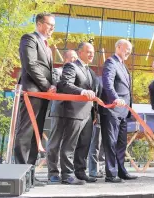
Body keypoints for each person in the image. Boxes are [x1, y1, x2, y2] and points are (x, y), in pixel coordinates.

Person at [14, 13, 56, 184]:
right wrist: (47, 85)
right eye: (50, 24)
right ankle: (20, 173)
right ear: (39, 24)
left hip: (43, 95)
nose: (52, 28)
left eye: (54, 26)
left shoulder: (47, 46)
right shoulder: (29, 39)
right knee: (26, 132)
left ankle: (30, 174)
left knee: (36, 134)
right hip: (32, 92)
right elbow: (30, 64)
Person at [57, 42, 98, 184]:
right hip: (74, 112)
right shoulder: (71, 66)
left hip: (88, 114)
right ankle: (67, 175)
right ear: (80, 52)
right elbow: (65, 84)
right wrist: (82, 91)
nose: (92, 54)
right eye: (88, 52)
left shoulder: (91, 72)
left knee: (84, 144)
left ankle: (80, 172)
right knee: (70, 144)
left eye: (93, 52)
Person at [100, 39, 137, 183]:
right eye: (127, 48)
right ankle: (111, 173)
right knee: (111, 142)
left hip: (123, 112)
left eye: (130, 50)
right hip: (112, 109)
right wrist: (115, 98)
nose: (128, 52)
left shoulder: (123, 66)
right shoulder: (111, 62)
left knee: (121, 143)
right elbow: (107, 82)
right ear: (118, 47)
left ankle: (121, 171)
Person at [47, 50, 77, 183]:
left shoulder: (78, 73)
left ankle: (67, 173)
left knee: (69, 144)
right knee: (54, 142)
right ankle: (53, 172)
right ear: (65, 59)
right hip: (59, 110)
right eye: (73, 58)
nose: (75, 61)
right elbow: (59, 85)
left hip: (73, 112)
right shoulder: (57, 72)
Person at [88, 76, 105, 178]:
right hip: (98, 116)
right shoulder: (98, 80)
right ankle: (93, 170)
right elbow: (94, 99)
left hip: (109, 118)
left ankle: (102, 168)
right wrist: (94, 115)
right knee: (95, 145)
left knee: (104, 145)